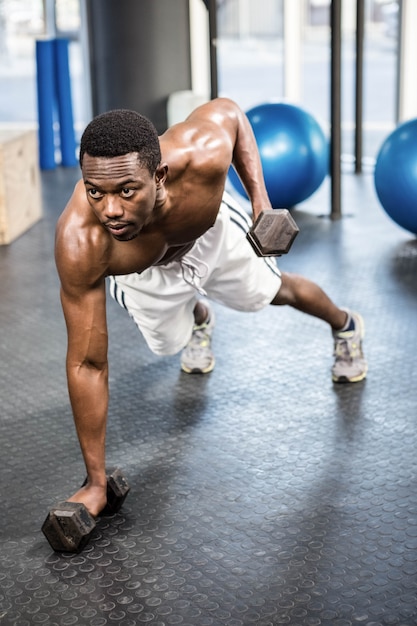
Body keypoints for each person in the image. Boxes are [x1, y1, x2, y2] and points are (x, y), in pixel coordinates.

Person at [55, 98, 367, 516]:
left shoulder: (199, 151)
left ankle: (345, 324)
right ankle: (198, 316)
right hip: (145, 273)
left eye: (127, 190)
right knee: (167, 344)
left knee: (275, 292)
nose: (110, 209)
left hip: (210, 237)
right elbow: (87, 364)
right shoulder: (82, 242)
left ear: (160, 175)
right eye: (96, 192)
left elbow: (233, 115)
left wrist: (261, 203)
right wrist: (96, 483)